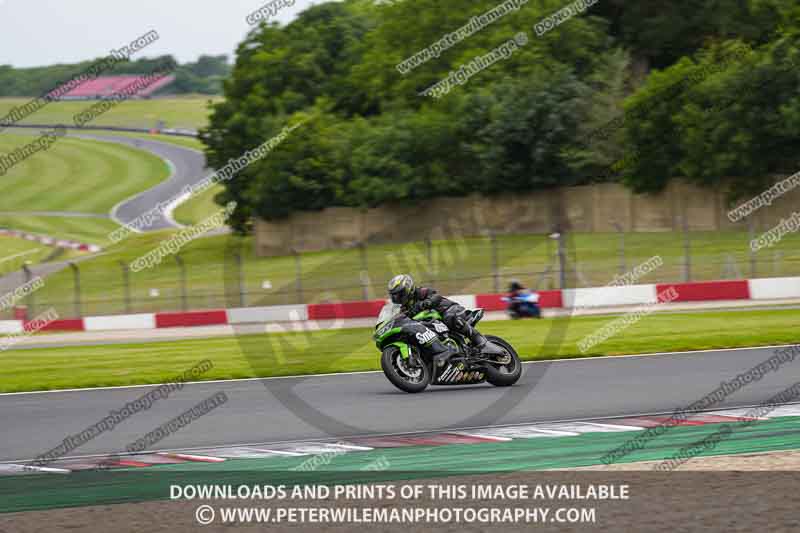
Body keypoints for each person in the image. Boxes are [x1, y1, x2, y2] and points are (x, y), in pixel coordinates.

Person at [387, 274, 504, 367]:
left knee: (450, 318)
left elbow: (435, 296)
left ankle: (482, 343)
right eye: (394, 296)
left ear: (408, 288)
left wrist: (427, 302)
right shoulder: (404, 308)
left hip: (448, 310)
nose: (397, 298)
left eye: (399, 294)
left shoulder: (420, 292)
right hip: (431, 322)